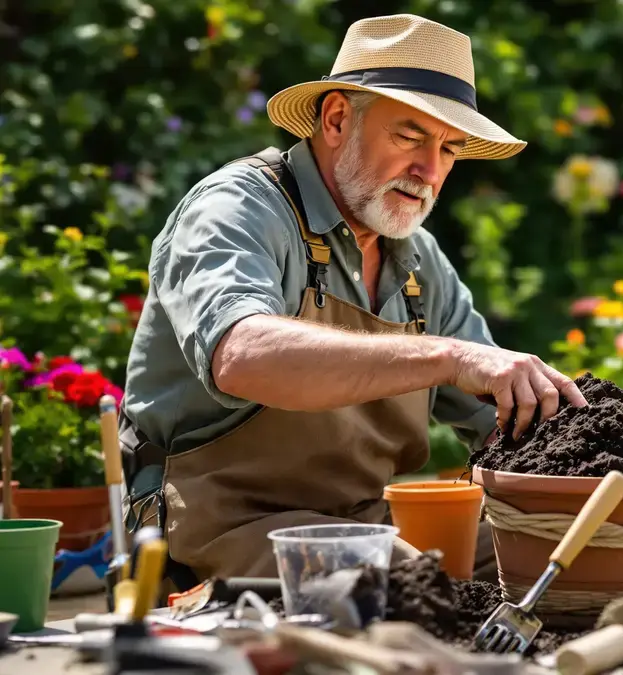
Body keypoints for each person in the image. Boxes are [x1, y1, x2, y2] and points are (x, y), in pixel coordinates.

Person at [118, 14, 587, 589]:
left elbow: (500, 420)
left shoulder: (417, 261)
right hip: (216, 527)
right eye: (411, 137)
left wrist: (602, 459)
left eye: (449, 149)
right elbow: (242, 355)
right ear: (337, 118)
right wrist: (448, 357)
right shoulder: (238, 208)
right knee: (414, 586)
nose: (430, 171)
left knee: (564, 557)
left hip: (367, 524)